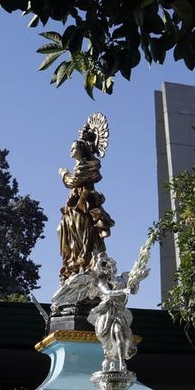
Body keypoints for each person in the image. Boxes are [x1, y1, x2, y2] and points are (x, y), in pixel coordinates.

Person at [57, 117, 114, 281]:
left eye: (73, 147)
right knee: (62, 230)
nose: (70, 150)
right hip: (73, 206)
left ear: (81, 149)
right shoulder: (80, 166)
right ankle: (72, 262)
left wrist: (64, 174)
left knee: (82, 233)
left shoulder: (89, 165)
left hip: (83, 205)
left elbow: (72, 182)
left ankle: (84, 261)